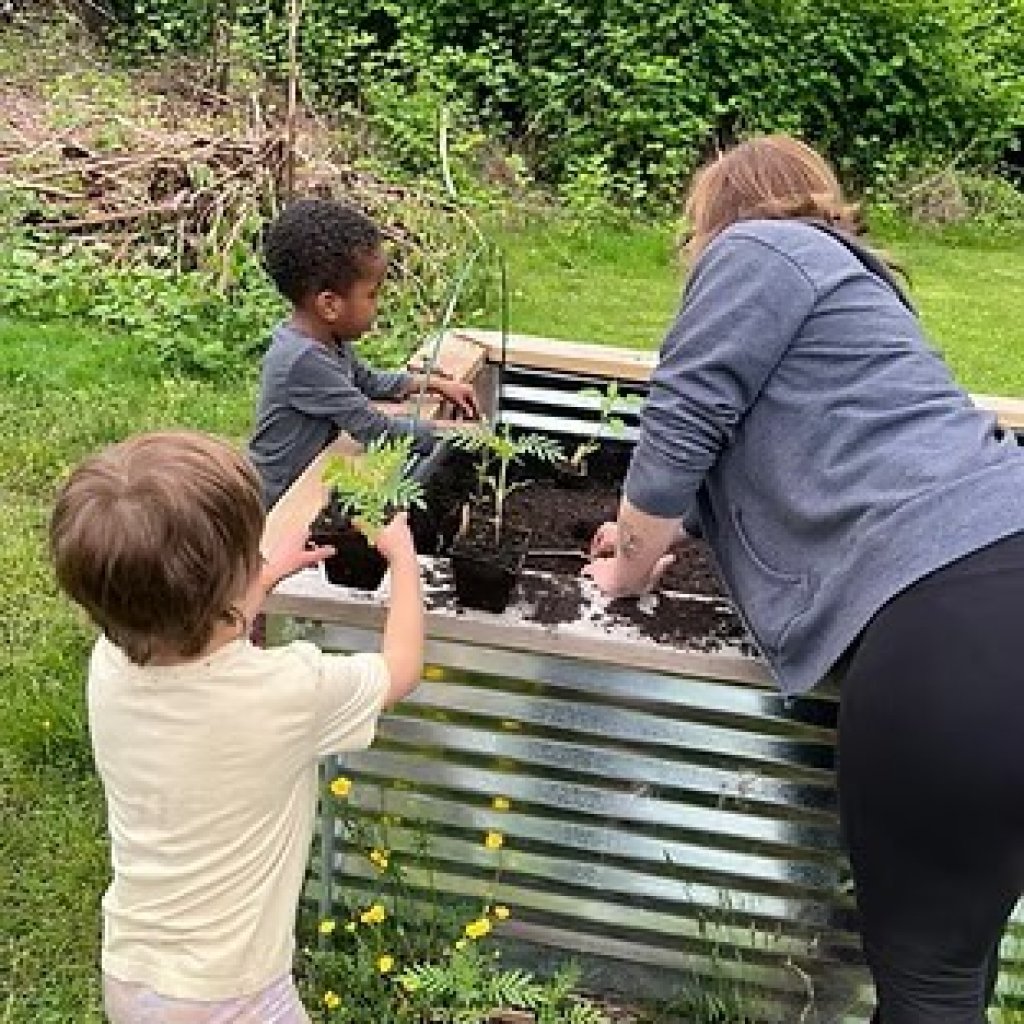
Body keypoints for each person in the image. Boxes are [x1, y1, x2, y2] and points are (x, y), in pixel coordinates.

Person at [586, 135, 1024, 1023]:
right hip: (1001, 572)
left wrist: (628, 570)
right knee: (955, 964)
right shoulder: (850, 291)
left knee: (926, 985)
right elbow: (798, 452)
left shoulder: (759, 247)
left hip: (955, 615)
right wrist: (670, 532)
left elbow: (681, 422)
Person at [50, 430, 425, 1023]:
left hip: (132, 972)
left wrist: (262, 579)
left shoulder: (109, 665)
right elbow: (401, 669)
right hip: (234, 996)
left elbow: (187, 641)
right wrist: (403, 558)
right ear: (230, 580)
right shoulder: (287, 692)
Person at [248, 197, 480, 508]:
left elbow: (366, 381)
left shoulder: (328, 342)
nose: (378, 306)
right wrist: (454, 434)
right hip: (277, 503)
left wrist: (436, 384)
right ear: (329, 304)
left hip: (308, 484)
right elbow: (375, 430)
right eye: (372, 294)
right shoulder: (303, 360)